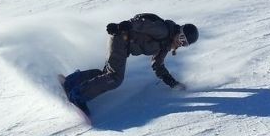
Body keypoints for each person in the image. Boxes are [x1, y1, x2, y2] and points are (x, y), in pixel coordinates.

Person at [62, 13, 198, 116]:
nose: (181, 44)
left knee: (107, 75)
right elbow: (142, 24)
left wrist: (172, 82)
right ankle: (78, 96)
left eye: (185, 44)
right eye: (182, 39)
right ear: (179, 31)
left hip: (124, 45)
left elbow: (157, 65)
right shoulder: (163, 30)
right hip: (122, 37)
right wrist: (122, 26)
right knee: (114, 78)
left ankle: (72, 81)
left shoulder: (165, 44)